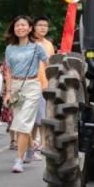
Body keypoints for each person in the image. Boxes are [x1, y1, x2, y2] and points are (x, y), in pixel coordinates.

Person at [3, 15, 48, 173]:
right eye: (17, 25)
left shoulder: (37, 47)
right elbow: (8, 71)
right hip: (16, 87)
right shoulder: (10, 48)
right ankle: (31, 146)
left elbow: (49, 64)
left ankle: (18, 160)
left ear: (30, 28)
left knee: (22, 123)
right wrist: (8, 92)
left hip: (32, 86)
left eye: (23, 25)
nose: (20, 28)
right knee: (22, 122)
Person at [30, 16, 55, 160]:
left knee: (43, 118)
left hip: (45, 85)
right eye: (40, 25)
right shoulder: (29, 43)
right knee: (32, 120)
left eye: (45, 26)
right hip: (31, 84)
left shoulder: (48, 45)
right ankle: (31, 147)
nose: (43, 28)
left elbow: (50, 65)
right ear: (33, 27)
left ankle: (43, 145)